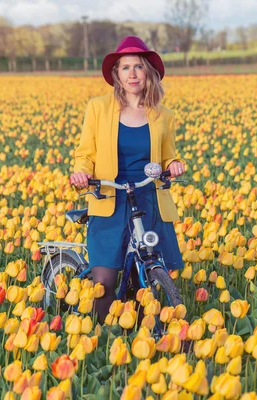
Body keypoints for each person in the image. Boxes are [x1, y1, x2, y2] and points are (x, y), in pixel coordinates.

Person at [69, 36, 185, 324]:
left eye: (138, 67)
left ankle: (146, 337)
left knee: (145, 278)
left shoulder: (163, 116)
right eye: (125, 68)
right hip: (110, 194)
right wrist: (81, 172)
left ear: (149, 73)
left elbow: (168, 155)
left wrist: (176, 165)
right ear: (116, 75)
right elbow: (85, 154)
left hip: (147, 197)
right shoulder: (98, 108)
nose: (132, 74)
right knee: (104, 283)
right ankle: (107, 339)